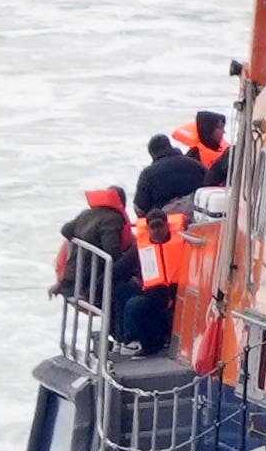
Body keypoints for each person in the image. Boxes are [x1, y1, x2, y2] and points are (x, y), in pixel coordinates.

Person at [121, 208, 189, 355]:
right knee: (134, 305)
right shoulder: (139, 249)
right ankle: (147, 345)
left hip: (183, 300)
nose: (157, 231)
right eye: (153, 227)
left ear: (167, 226)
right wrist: (88, 291)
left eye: (160, 226)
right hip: (156, 302)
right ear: (148, 229)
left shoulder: (185, 242)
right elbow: (119, 269)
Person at [51, 186, 132, 299]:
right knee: (125, 288)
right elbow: (111, 251)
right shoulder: (113, 219)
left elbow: (66, 230)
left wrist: (85, 238)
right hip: (88, 283)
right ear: (122, 202)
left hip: (70, 280)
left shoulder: (86, 214)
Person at [133, 134, 206, 218]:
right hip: (196, 218)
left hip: (164, 223)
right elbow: (209, 184)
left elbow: (140, 208)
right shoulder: (196, 165)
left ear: (153, 154)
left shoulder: (147, 174)